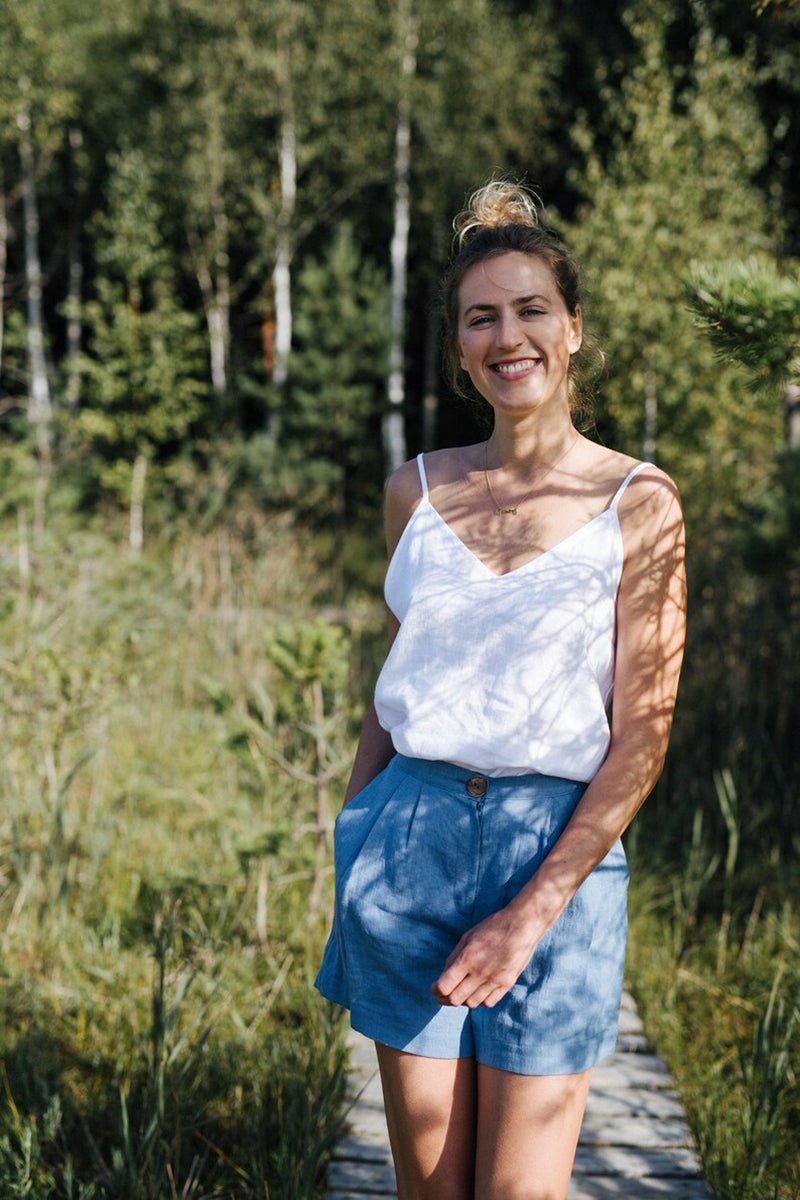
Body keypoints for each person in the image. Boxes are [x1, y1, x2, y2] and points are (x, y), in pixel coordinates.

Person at [315, 180, 686, 1200]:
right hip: (407, 845)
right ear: (459, 347)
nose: (506, 334)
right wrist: (355, 836)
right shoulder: (417, 492)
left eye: (529, 309)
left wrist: (531, 911)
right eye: (481, 316)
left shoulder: (636, 500)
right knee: (428, 1190)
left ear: (573, 330)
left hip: (556, 852)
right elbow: (393, 684)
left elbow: (642, 735)